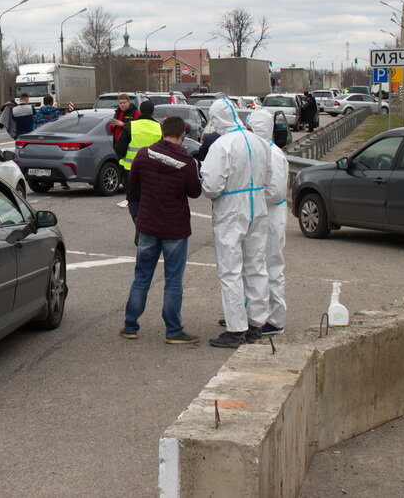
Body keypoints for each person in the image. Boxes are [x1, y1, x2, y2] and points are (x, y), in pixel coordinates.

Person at [200, 99, 282, 348]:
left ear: (216, 119)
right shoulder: (259, 142)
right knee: (256, 265)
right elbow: (269, 177)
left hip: (231, 209)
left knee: (230, 269)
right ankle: (256, 323)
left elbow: (212, 186)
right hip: (258, 207)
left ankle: (236, 328)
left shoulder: (222, 145)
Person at [120, 116, 202, 344]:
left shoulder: (143, 155)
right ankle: (173, 331)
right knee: (173, 280)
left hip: (148, 224)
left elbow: (133, 185)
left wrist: (138, 214)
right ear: (182, 134)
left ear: (162, 132)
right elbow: (195, 192)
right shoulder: (186, 161)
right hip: (175, 227)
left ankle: (130, 325)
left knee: (141, 277)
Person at [246, 110, 288, 335]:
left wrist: (250, 194)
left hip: (271, 217)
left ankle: (275, 319)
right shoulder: (259, 151)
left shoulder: (273, 154)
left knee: (272, 267)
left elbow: (275, 191)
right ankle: (254, 312)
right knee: (255, 266)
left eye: (251, 129)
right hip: (262, 215)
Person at [115, 100, 161, 225]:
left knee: (134, 200)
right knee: (151, 200)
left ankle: (139, 223)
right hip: (153, 171)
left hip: (131, 170)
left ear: (140, 111)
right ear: (153, 112)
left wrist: (122, 161)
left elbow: (119, 149)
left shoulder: (130, 127)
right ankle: (149, 224)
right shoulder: (160, 128)